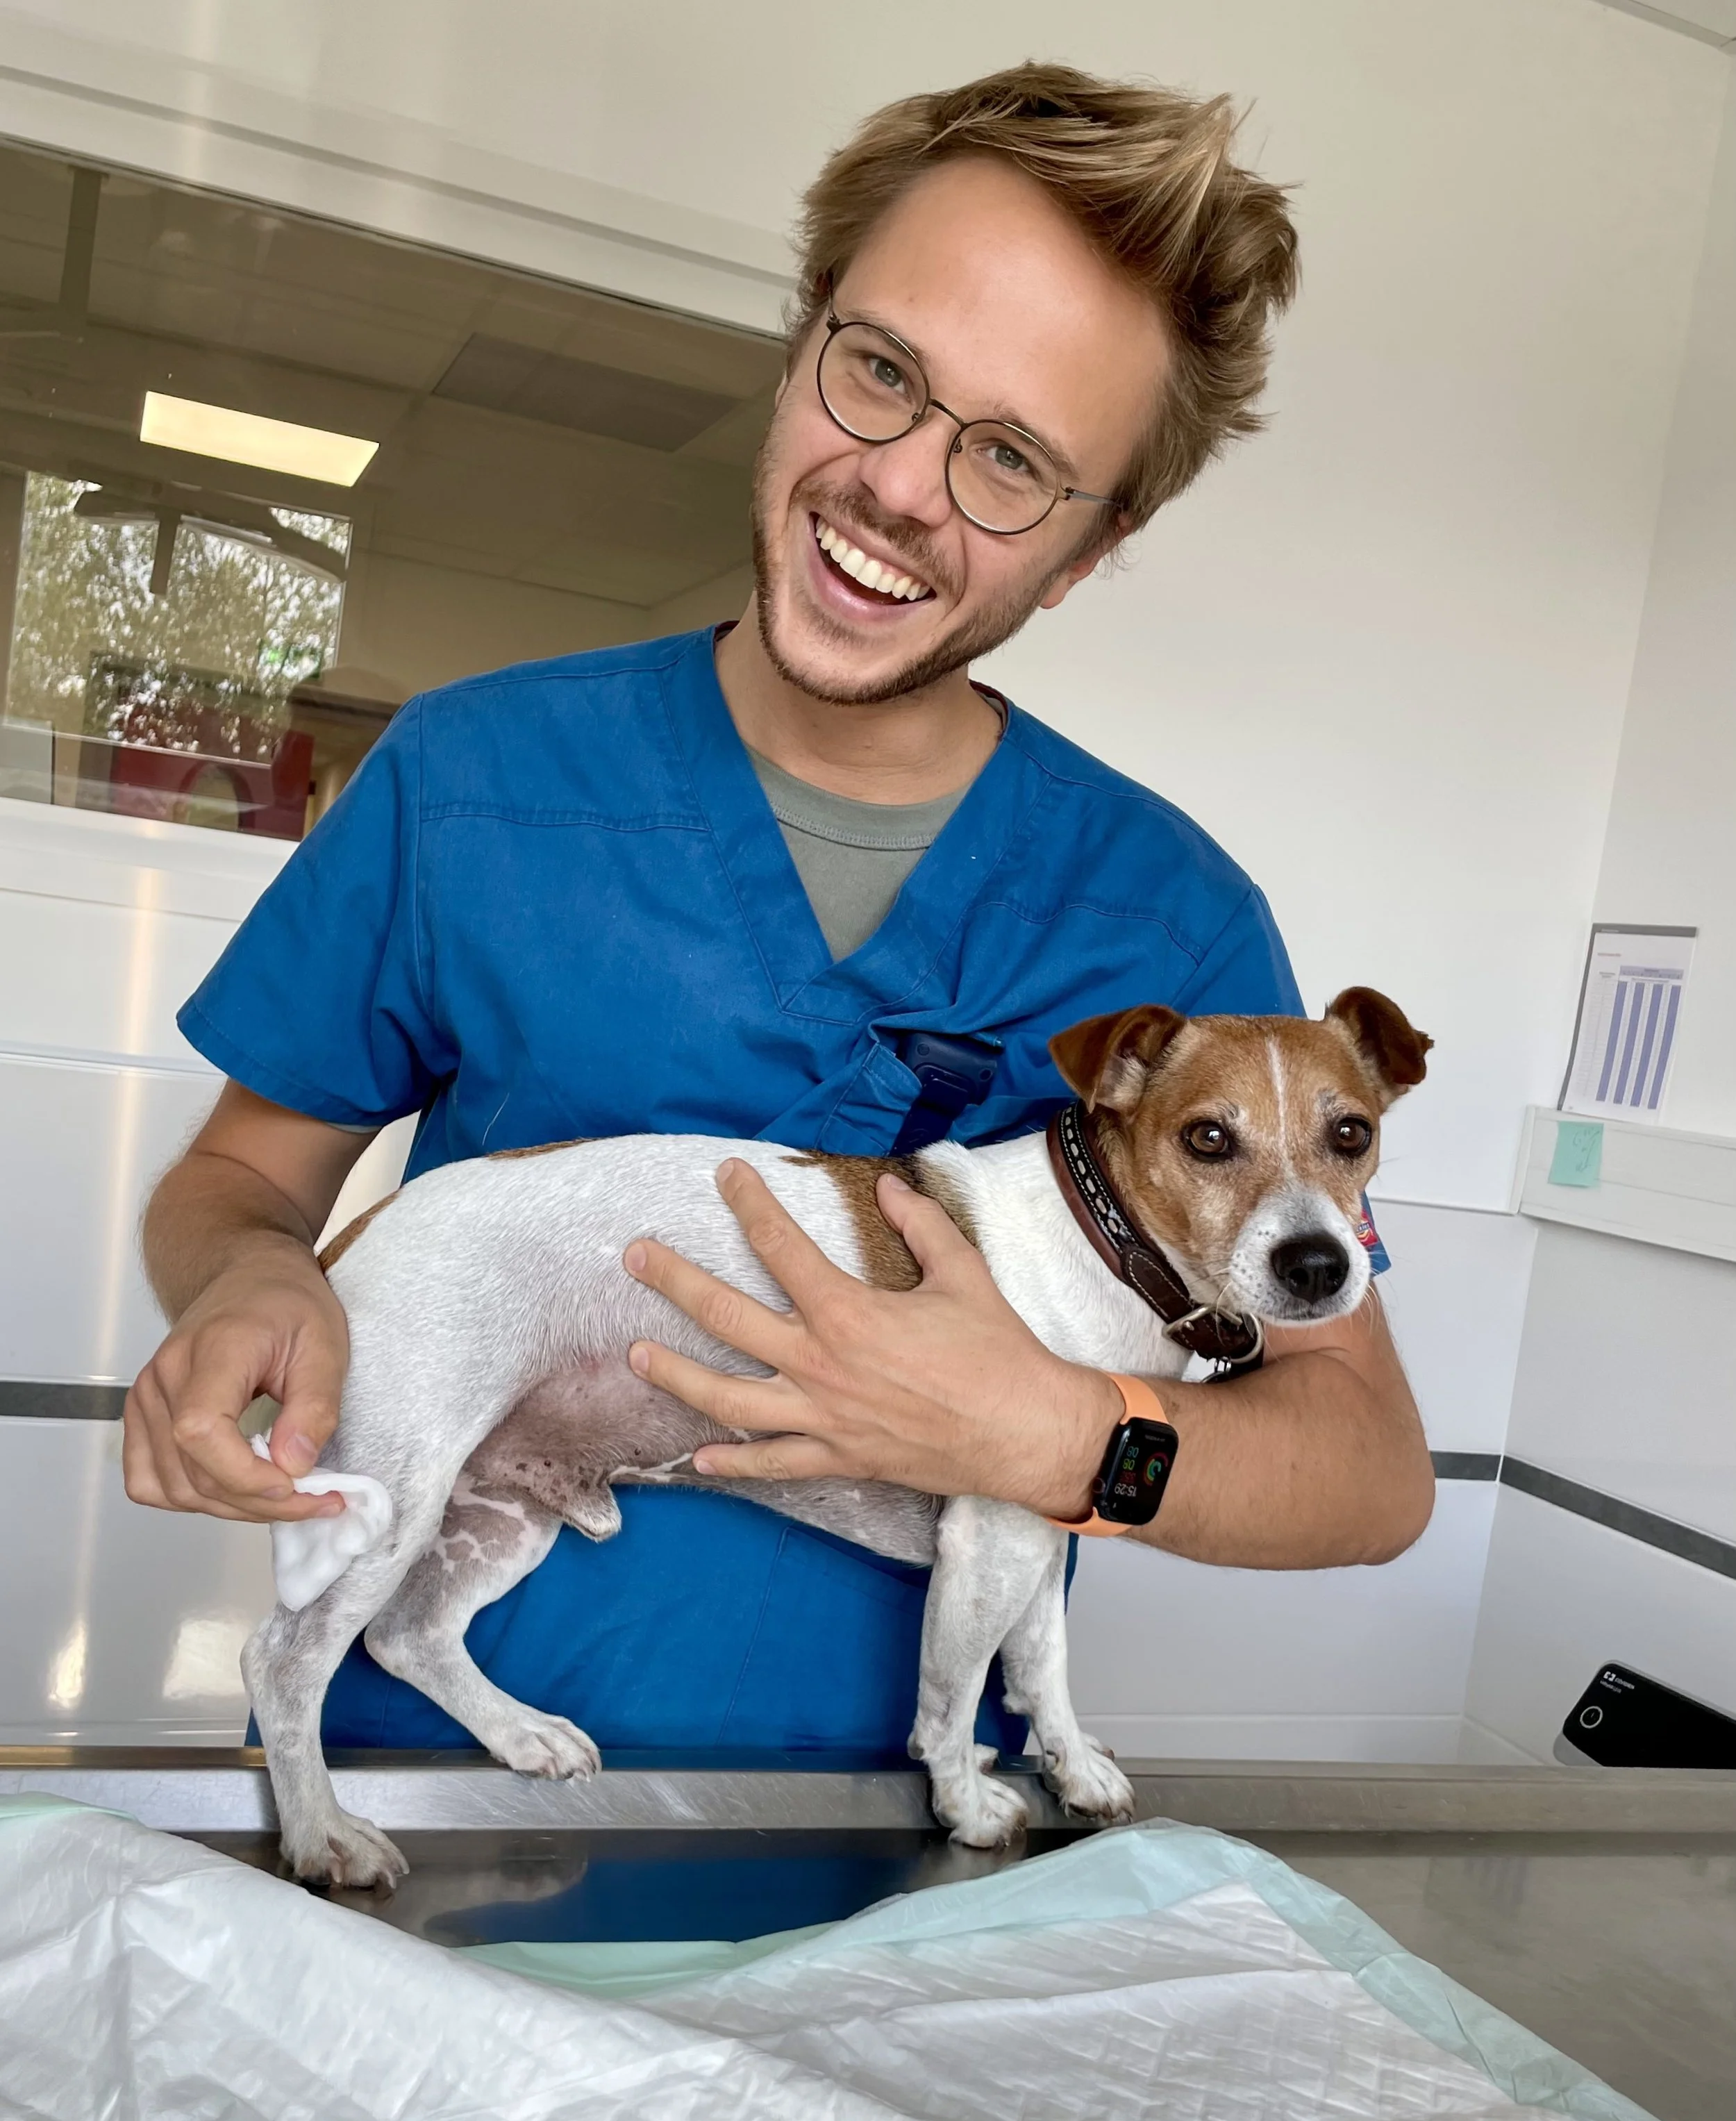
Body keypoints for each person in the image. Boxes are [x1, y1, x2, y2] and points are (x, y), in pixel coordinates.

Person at [124, 64, 1434, 1756]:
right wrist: (244, 1280)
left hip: (886, 1876)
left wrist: (1052, 1434)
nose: (896, 486)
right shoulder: (472, 778)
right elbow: (241, 1182)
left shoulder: (1173, 924)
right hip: (427, 1796)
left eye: (1015, 461)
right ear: (802, 331)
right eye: (881, 368)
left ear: (1089, 549)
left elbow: (1364, 1467)